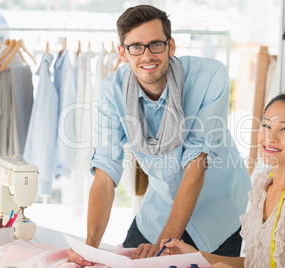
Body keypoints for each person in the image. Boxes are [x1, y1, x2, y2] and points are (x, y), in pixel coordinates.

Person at [67, 4, 251, 267]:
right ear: (123, 52)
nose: (147, 55)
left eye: (155, 44)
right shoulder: (112, 92)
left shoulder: (210, 77)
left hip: (217, 213)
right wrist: (90, 248)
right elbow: (105, 173)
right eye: (136, 47)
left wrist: (161, 249)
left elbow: (196, 164)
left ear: (170, 47)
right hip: (161, 207)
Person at [160, 84, 285, 268]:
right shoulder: (262, 186)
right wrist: (196, 256)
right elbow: (254, 264)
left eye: (284, 129)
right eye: (266, 125)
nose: (270, 137)